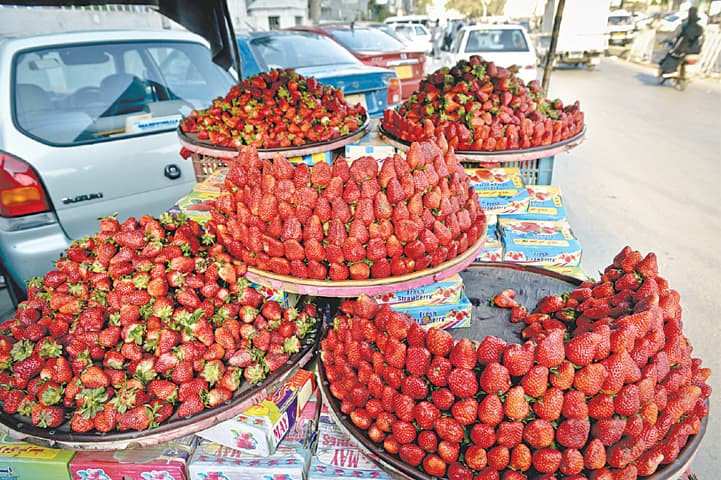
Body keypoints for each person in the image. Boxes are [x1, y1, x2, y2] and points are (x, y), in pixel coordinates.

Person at [659, 7, 704, 77]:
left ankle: (670, 71)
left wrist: (665, 40)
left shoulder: (684, 26)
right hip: (695, 51)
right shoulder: (700, 28)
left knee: (671, 55)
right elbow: (702, 39)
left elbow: (673, 34)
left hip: (681, 49)